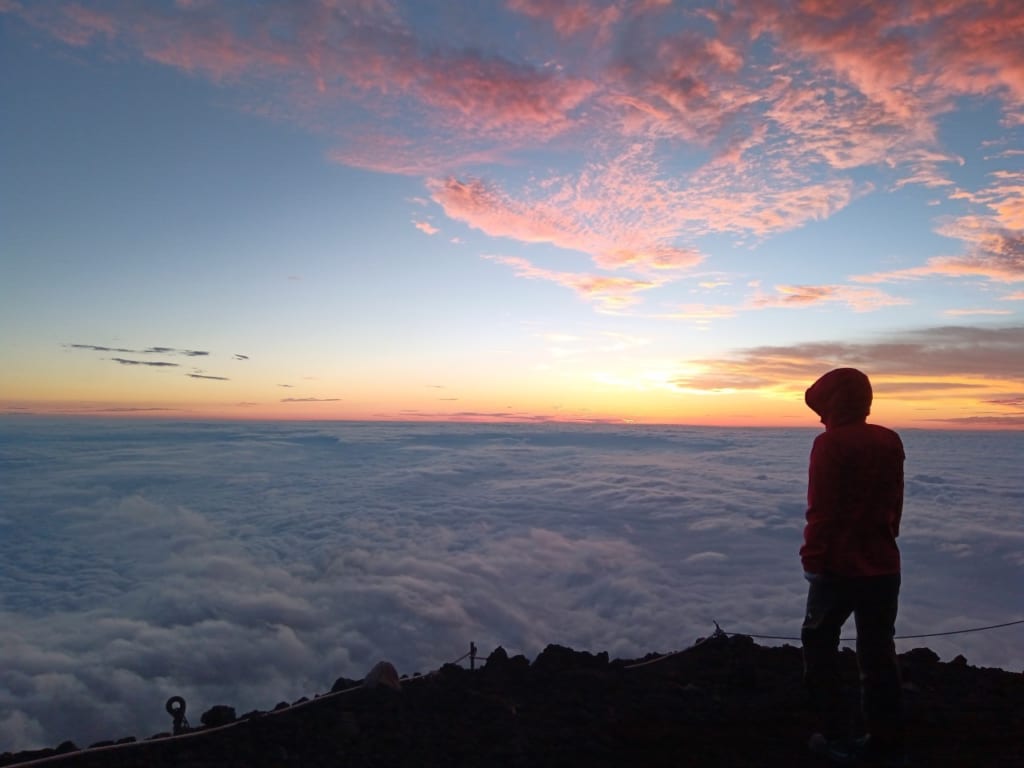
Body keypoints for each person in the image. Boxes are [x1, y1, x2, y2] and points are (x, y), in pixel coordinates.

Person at [800, 368, 906, 766]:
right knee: (879, 654)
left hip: (837, 567)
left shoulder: (829, 445)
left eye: (821, 409)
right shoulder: (889, 440)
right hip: (885, 565)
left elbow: (822, 509)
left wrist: (813, 561)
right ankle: (887, 743)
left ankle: (833, 735)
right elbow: (894, 502)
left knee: (819, 645)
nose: (820, 418)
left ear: (833, 403)